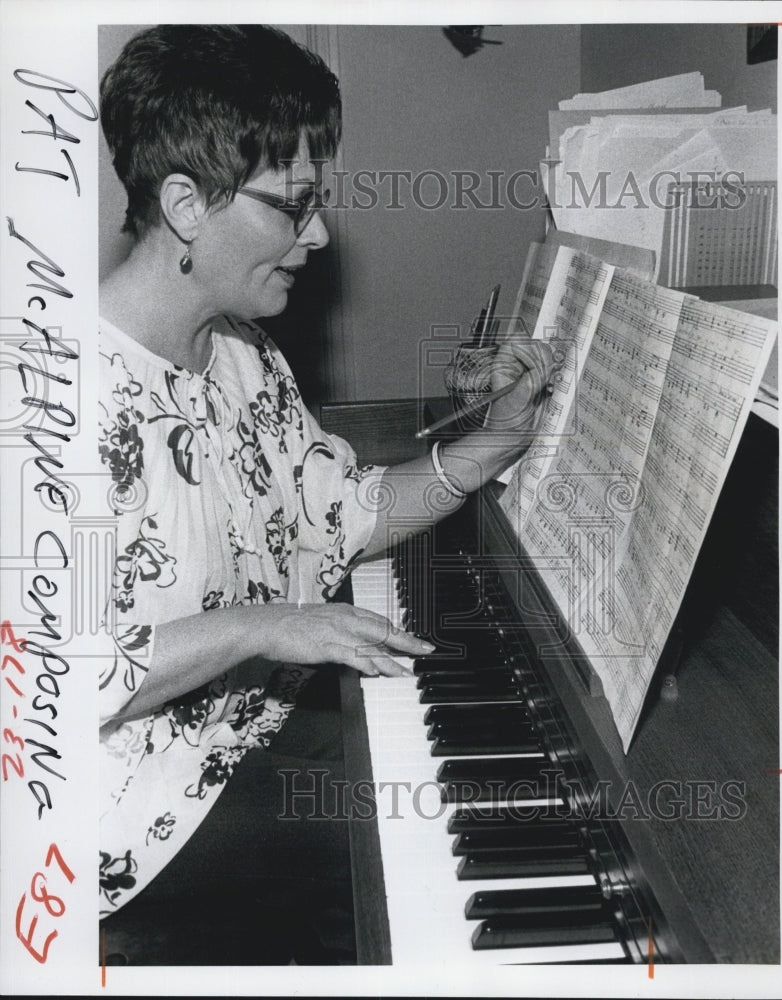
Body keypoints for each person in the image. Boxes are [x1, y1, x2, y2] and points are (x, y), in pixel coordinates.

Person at [97, 23, 559, 961]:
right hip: (126, 813)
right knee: (450, 839)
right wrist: (268, 625)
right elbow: (48, 677)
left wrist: (499, 441)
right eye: (292, 206)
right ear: (185, 205)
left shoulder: (241, 352)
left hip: (244, 734)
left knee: (477, 780)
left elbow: (345, 512)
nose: (315, 235)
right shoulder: (49, 397)